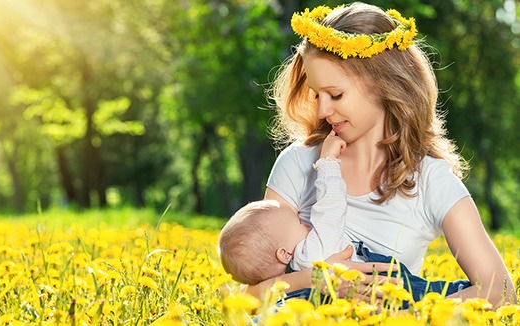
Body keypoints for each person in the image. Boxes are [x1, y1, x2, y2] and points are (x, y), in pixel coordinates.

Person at [251, 2, 516, 307]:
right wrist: (317, 280)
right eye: (316, 94)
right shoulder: (297, 164)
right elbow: (247, 296)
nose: (323, 111)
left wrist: (405, 318)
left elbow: (502, 293)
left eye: (336, 95)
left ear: (385, 84)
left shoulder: (430, 180)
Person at [218, 132, 470, 306]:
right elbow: (331, 209)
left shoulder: (290, 275)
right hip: (386, 288)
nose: (304, 219)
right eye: (297, 222)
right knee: (430, 295)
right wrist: (327, 164)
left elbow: (254, 296)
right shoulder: (312, 252)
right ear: (284, 253)